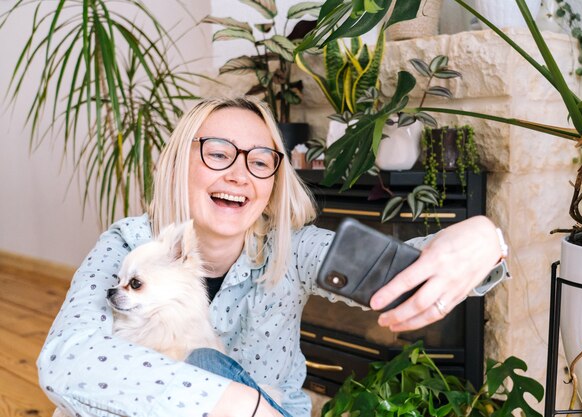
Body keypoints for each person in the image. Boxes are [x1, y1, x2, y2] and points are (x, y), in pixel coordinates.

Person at [38, 96, 509, 417]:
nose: (241, 174)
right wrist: (241, 404)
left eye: (261, 161)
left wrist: (483, 237)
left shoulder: (295, 250)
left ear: (272, 186)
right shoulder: (126, 247)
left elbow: (407, 271)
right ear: (179, 163)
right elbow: (66, 360)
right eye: (219, 153)